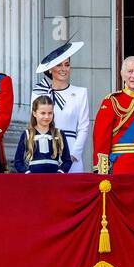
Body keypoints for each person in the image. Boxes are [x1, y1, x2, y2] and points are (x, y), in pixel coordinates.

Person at [33, 41, 91, 173]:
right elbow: (34, 123)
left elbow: (83, 127)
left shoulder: (80, 92)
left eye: (67, 65)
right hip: (44, 151)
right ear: (50, 68)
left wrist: (74, 154)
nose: (63, 69)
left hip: (71, 150)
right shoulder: (38, 92)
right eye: (59, 65)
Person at [13, 96, 73, 174]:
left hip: (54, 180)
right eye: (43, 113)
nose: (46, 117)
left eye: (50, 113)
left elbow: (67, 160)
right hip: (34, 181)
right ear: (34, 113)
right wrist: (27, 173)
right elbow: (18, 161)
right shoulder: (27, 134)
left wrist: (60, 172)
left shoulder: (59, 133)